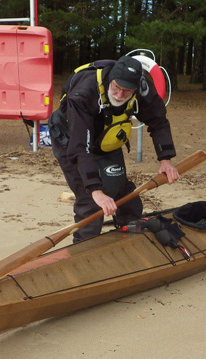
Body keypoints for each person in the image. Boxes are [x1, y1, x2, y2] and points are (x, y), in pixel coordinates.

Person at [48, 55, 179, 243]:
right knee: (91, 201)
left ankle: (130, 235)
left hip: (108, 134)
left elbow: (158, 121)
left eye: (126, 91)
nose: (119, 95)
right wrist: (95, 190)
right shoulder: (84, 93)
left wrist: (165, 159)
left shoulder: (142, 89)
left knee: (122, 191)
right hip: (70, 136)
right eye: (116, 88)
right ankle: (84, 247)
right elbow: (80, 148)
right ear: (110, 81)